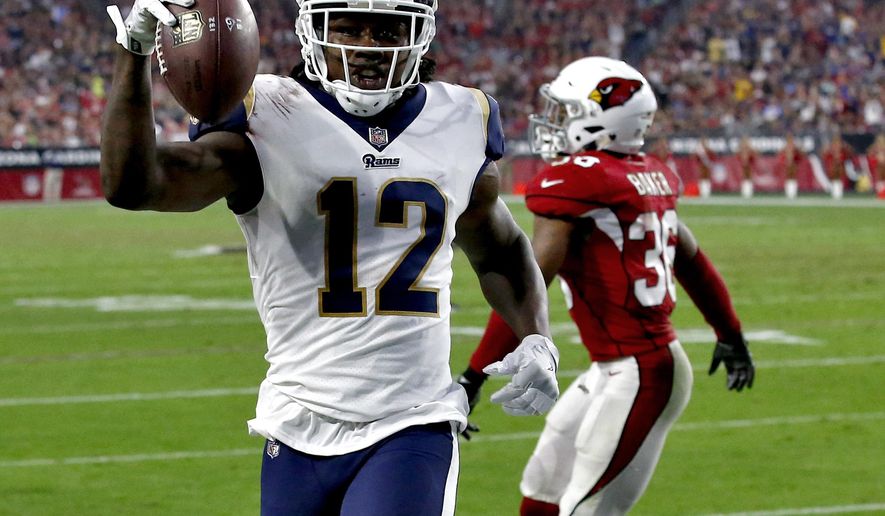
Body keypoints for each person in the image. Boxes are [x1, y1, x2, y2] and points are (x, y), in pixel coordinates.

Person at [100, 1, 561, 514]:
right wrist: (134, 49)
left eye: (387, 29)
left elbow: (501, 249)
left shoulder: (460, 119)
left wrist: (537, 335)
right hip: (296, 419)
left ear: (421, 34)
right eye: (347, 27)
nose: (365, 45)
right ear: (312, 30)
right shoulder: (266, 114)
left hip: (412, 420)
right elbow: (135, 186)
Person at [456, 57, 755, 515]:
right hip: (615, 367)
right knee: (543, 491)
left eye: (567, 112)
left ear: (604, 121)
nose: (554, 124)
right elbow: (692, 262)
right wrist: (730, 334)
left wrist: (473, 376)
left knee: (586, 509)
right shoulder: (645, 173)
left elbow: (526, 284)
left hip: (643, 370)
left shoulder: (582, 180)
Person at [778, 132, 804, 199]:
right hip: (788, 164)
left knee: (793, 177)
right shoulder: (786, 146)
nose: (790, 140)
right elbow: (781, 154)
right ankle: (789, 192)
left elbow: (800, 154)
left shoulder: (794, 146)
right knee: (789, 177)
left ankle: (793, 192)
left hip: (793, 164)